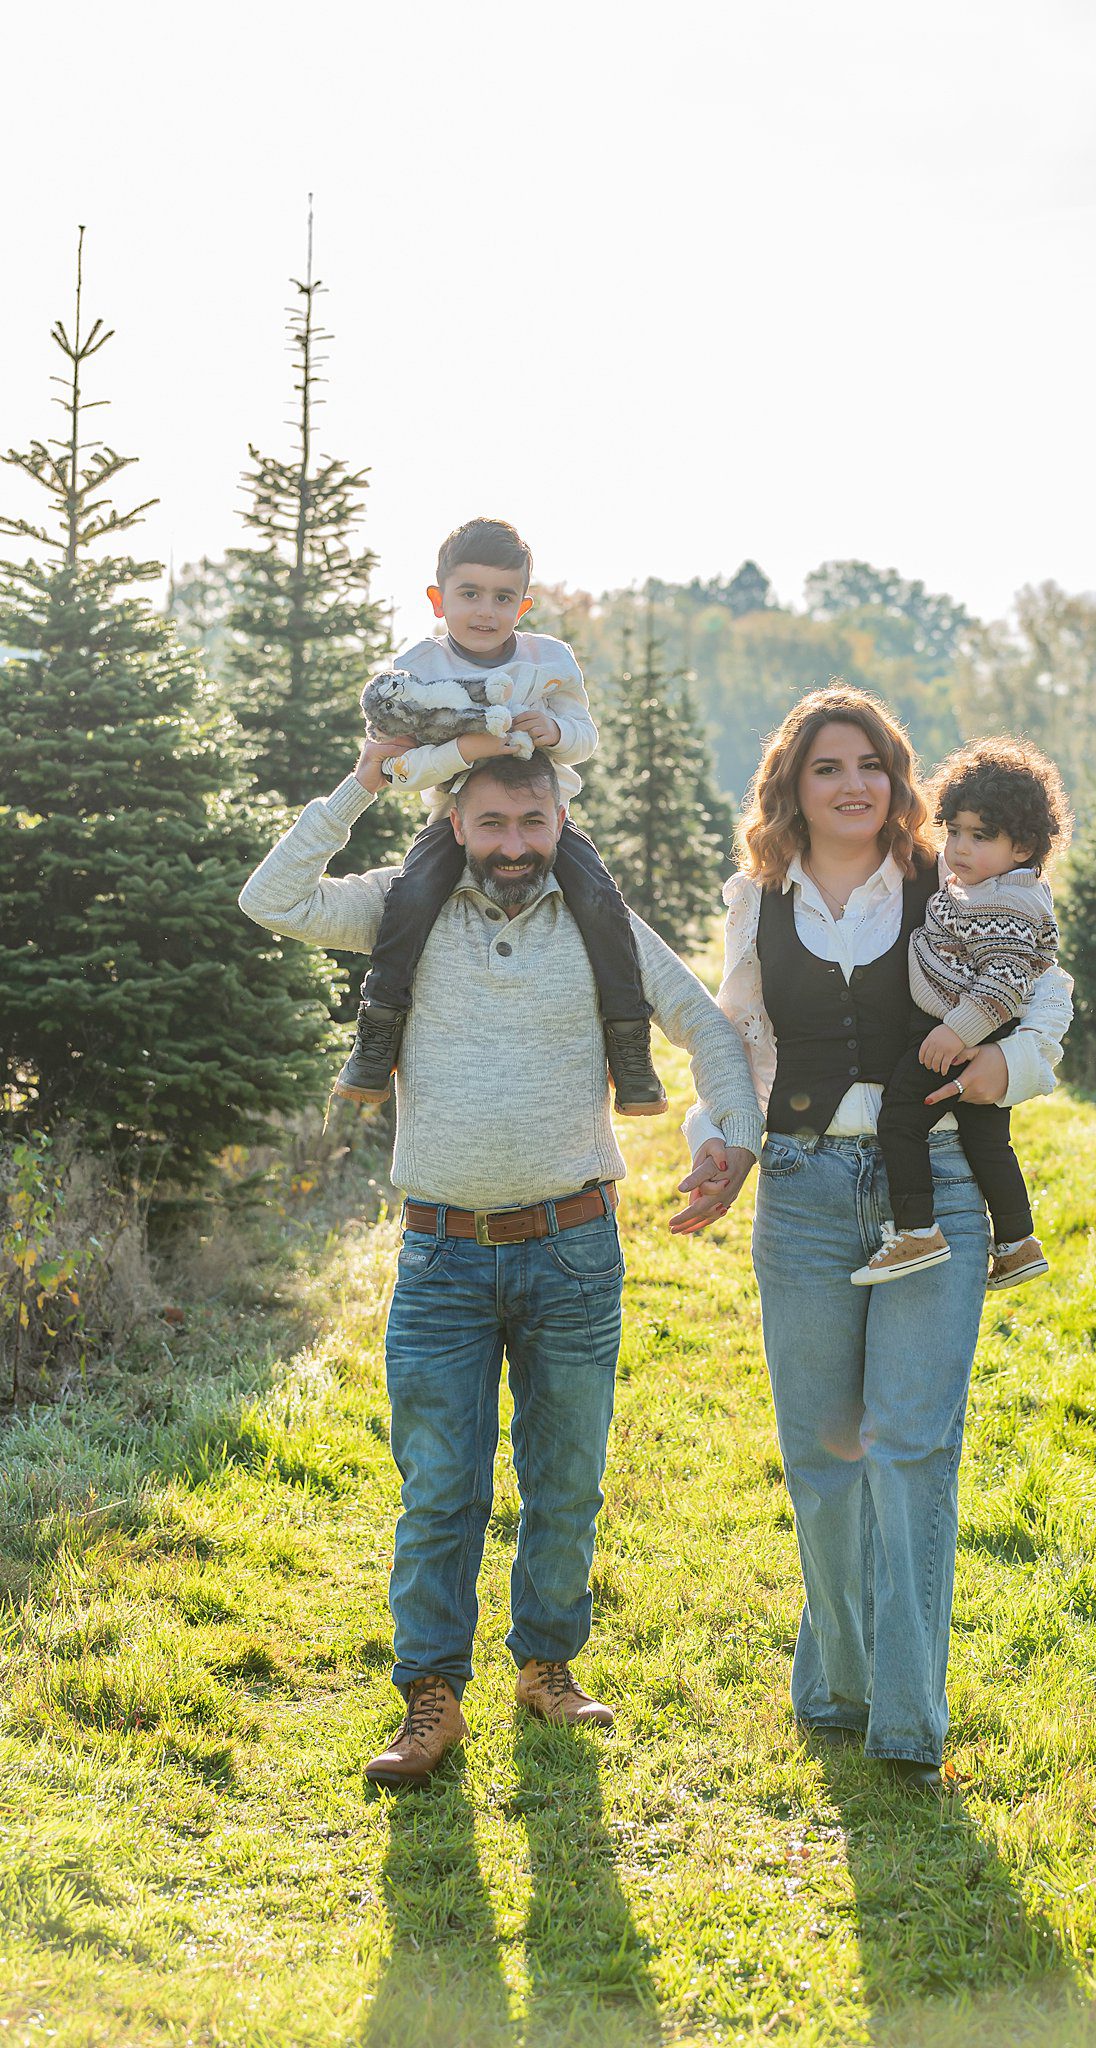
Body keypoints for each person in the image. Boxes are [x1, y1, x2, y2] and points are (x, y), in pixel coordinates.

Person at [239, 742, 761, 1788]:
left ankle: (547, 1666)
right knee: (439, 1487)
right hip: (439, 1251)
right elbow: (272, 896)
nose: (515, 845)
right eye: (492, 825)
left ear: (559, 820)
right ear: (454, 824)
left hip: (572, 1247)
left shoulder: (599, 919)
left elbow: (703, 1021)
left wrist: (733, 1138)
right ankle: (429, 1696)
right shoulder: (402, 904)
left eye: (533, 823)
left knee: (565, 1479)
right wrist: (365, 777)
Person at [679, 687, 1072, 1786]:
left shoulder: (947, 881)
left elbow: (1043, 997)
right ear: (791, 787)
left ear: (897, 780)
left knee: (909, 1446)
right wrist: (718, 1138)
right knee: (821, 1454)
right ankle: (837, 1680)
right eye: (825, 765)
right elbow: (736, 1034)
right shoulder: (753, 899)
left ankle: (905, 1711)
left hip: (932, 1182)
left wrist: (1005, 1067)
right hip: (800, 1187)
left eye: (870, 764)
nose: (851, 783)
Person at [332, 515, 668, 1117]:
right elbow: (405, 762)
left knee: (598, 900)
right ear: (438, 599)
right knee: (411, 898)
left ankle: (629, 1044)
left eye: (503, 597)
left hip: (542, 819)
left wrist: (556, 730)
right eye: (469, 594)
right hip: (455, 818)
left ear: (524, 603)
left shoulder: (550, 658)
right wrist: (474, 749)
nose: (485, 611)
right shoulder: (418, 668)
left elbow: (585, 736)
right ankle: (377, 1035)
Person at [853, 735, 1070, 1289]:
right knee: (986, 1140)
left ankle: (917, 1229)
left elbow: (1004, 982)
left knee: (901, 1121)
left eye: (981, 836)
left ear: (1023, 847)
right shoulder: (988, 889)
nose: (959, 848)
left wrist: (954, 1032)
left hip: (953, 1035)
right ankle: (1018, 1241)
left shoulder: (1007, 901)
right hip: (970, 1032)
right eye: (953, 831)